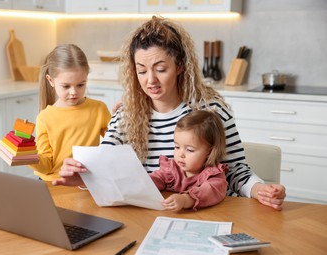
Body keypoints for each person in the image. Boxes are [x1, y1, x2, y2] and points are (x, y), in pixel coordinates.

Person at [54, 16, 286, 210]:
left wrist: (259, 189)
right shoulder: (126, 114)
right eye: (141, 71)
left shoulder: (211, 110)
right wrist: (85, 176)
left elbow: (235, 172)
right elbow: (106, 168)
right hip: (149, 214)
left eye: (161, 69)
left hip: (207, 214)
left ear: (180, 66)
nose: (150, 80)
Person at [29, 44, 111, 181]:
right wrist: (27, 158)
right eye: (66, 86)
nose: (74, 92)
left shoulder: (99, 109)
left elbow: (116, 146)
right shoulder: (44, 118)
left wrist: (121, 119)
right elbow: (47, 166)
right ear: (51, 81)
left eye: (80, 85)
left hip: (85, 182)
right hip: (52, 183)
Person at [150, 110, 228, 212]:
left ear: (209, 152)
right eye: (177, 147)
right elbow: (155, 179)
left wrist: (185, 199)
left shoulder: (213, 175)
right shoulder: (171, 169)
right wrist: (141, 183)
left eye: (190, 150)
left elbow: (209, 191)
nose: (180, 154)